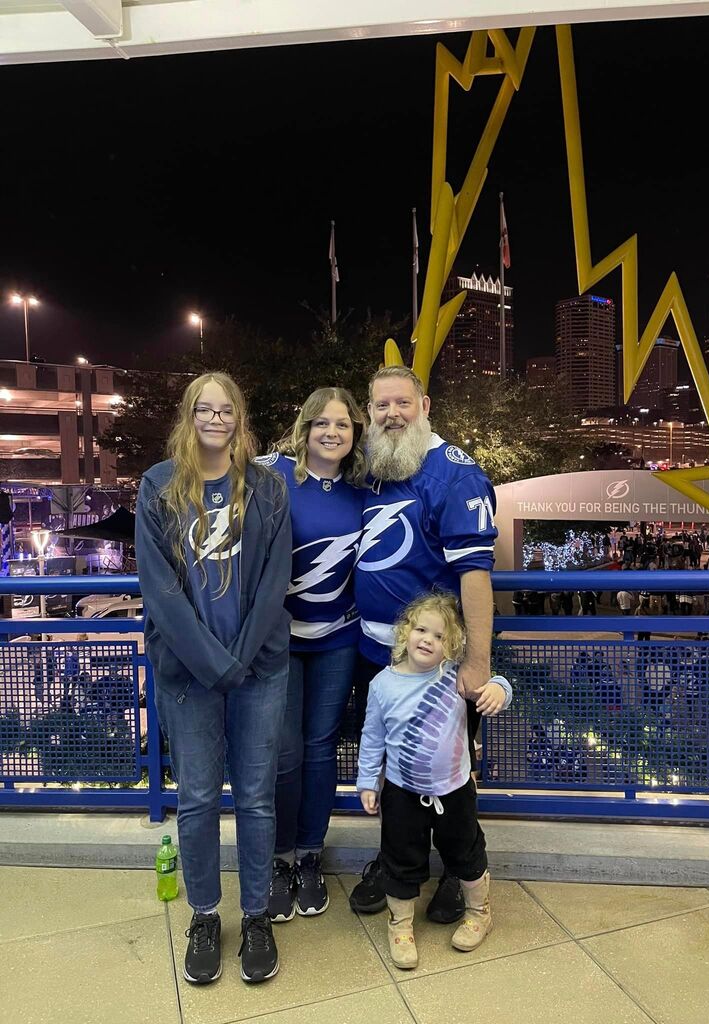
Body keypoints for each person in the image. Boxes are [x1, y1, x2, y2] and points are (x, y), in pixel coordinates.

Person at [135, 372, 292, 987]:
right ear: (189, 415)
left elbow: (274, 583)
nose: (216, 418)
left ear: (239, 418)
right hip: (187, 674)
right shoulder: (158, 487)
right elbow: (160, 590)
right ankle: (205, 915)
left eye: (226, 410)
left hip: (258, 668)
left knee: (255, 798)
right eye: (205, 409)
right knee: (197, 798)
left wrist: (240, 658)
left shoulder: (267, 488)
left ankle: (256, 915)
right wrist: (212, 662)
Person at [350, 365, 498, 922]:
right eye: (381, 406)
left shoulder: (455, 475)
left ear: (426, 406)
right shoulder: (374, 468)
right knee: (394, 769)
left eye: (402, 404)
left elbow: (476, 577)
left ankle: (461, 871)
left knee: (451, 770)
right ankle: (398, 866)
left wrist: (478, 661)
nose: (392, 415)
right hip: (377, 657)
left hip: (440, 663)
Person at [256, 387, 367, 922]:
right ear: (304, 428)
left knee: (322, 748)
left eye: (343, 424)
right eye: (321, 422)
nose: (332, 432)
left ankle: (309, 857)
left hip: (337, 639)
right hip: (280, 640)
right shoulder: (270, 474)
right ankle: (278, 858)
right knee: (285, 751)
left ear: (355, 432)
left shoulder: (365, 488)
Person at [356, 593, 511, 969]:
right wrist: (365, 782)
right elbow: (372, 737)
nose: (428, 639)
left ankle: (480, 914)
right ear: (405, 633)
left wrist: (498, 690)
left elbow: (501, 685)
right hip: (400, 792)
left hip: (455, 790)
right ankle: (401, 925)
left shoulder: (456, 676)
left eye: (440, 636)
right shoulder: (382, 685)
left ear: (452, 645)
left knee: (466, 853)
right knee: (400, 858)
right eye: (421, 629)